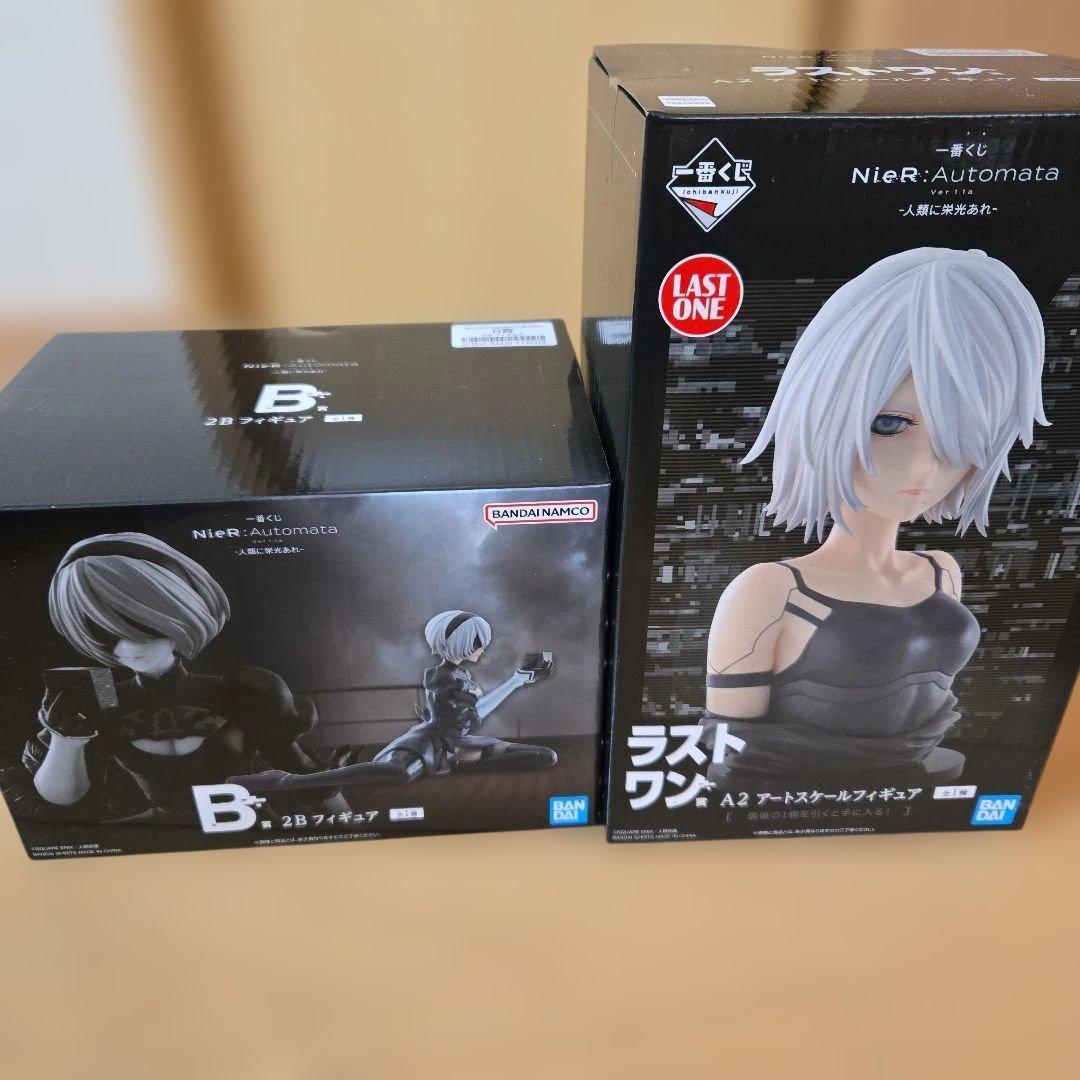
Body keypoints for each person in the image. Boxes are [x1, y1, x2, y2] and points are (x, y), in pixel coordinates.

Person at [705, 248, 1047, 786]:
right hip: (795, 802)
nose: (926, 467)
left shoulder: (941, 572)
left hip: (921, 789)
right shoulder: (771, 590)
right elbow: (730, 753)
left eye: (962, 435)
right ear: (824, 408)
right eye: (889, 424)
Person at [12, 532, 342, 823]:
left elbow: (311, 785)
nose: (129, 646)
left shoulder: (239, 690)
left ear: (177, 615)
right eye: (103, 632)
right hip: (160, 838)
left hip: (245, 829)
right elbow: (63, 798)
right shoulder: (103, 695)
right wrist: (66, 740)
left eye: (142, 625)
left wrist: (356, 826)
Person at [229, 609, 557, 794]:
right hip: (430, 744)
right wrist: (513, 685)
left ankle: (455, 764)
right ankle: (285, 781)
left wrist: (517, 681)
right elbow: (457, 722)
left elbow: (471, 717)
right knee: (400, 773)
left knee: (544, 757)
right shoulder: (442, 677)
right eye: (476, 642)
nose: (481, 649)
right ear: (456, 642)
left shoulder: (462, 677)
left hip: (456, 745)